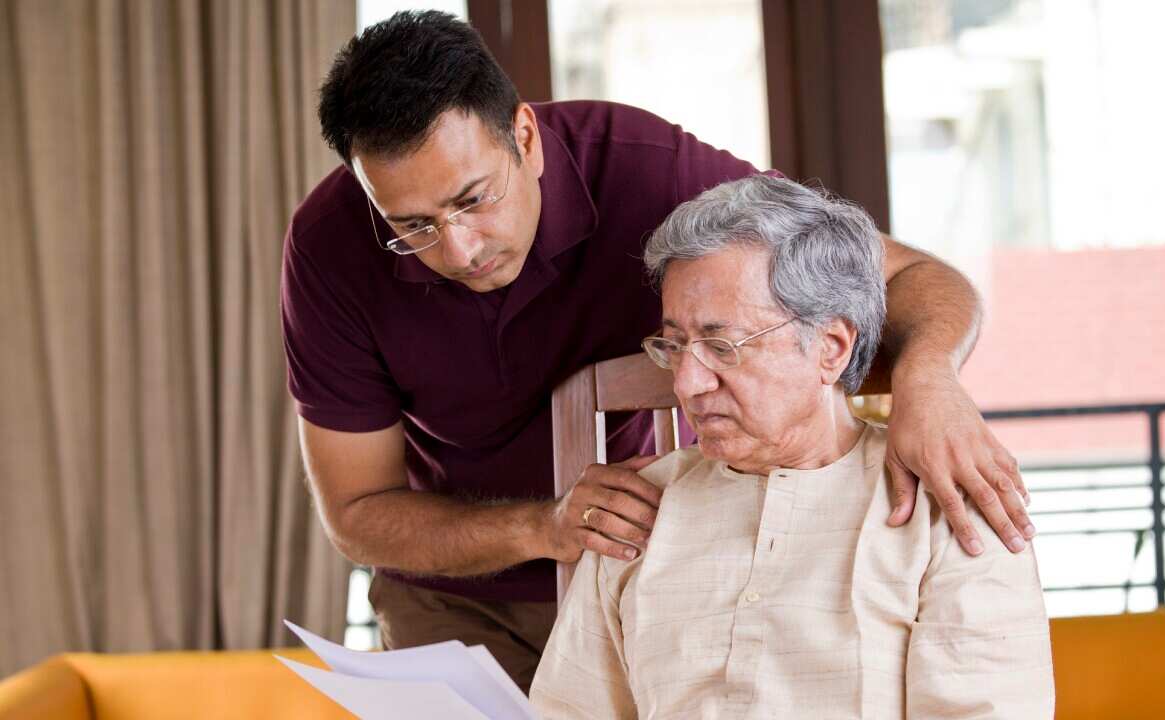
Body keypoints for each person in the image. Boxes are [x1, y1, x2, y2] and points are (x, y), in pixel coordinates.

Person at [283, 10, 1034, 689]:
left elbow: (915, 278)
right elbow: (357, 514)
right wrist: (542, 527)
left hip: (637, 560)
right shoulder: (330, 248)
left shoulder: (648, 172)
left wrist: (928, 379)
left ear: (524, 136)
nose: (457, 248)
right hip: (454, 582)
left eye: (473, 199)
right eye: (411, 225)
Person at [529, 175, 1054, 718]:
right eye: (676, 345)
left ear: (830, 349)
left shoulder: (945, 505)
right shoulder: (637, 511)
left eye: (721, 346)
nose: (687, 383)